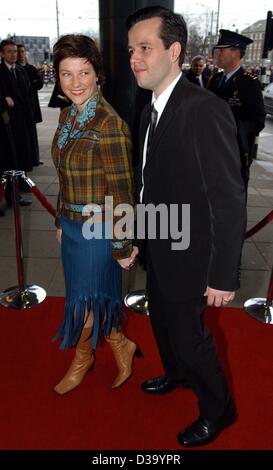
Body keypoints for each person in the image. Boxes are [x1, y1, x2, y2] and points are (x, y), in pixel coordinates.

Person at [126, 6, 246, 447]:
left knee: (191, 336)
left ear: (174, 50)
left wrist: (221, 275)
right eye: (131, 50)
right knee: (162, 322)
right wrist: (140, 235)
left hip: (192, 257)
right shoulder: (149, 107)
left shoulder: (204, 109)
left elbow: (227, 198)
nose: (135, 58)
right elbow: (148, 182)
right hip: (159, 244)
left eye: (145, 48)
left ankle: (220, 408)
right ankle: (177, 374)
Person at [51, 34, 141, 395]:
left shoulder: (109, 125)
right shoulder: (67, 116)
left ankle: (82, 357)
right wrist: (61, 220)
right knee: (89, 296)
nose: (75, 83)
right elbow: (63, 176)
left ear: (97, 75)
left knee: (84, 304)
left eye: (83, 73)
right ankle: (121, 344)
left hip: (99, 231)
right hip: (73, 229)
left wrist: (122, 248)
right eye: (66, 74)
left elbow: (123, 193)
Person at [207, 29, 265, 191]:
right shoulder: (215, 79)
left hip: (234, 152)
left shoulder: (249, 83)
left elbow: (258, 120)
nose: (218, 54)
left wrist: (234, 130)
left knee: (232, 197)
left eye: (222, 50)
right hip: (211, 149)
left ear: (235, 53)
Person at [17, 44, 44, 166]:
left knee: (32, 133)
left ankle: (34, 158)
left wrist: (30, 85)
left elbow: (39, 83)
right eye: (19, 52)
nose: (20, 54)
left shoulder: (30, 68)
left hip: (32, 105)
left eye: (22, 51)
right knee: (23, 134)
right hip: (21, 107)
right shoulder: (16, 68)